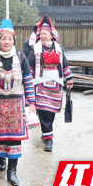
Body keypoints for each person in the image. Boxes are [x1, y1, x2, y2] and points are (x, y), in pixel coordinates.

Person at [0, 19, 36, 186]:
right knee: (0, 138)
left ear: (13, 40)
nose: (7, 42)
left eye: (9, 39)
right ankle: (1, 160)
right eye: (4, 39)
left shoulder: (21, 58)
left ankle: (12, 171)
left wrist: (31, 103)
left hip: (16, 105)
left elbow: (28, 81)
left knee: (14, 139)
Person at [27, 16, 74, 152]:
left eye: (45, 34)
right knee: (43, 113)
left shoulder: (59, 49)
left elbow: (64, 65)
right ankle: (49, 140)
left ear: (51, 35)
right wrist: (28, 83)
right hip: (40, 85)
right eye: (40, 34)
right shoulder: (35, 50)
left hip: (55, 85)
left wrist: (69, 79)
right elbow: (30, 67)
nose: (42, 36)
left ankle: (46, 132)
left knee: (51, 112)